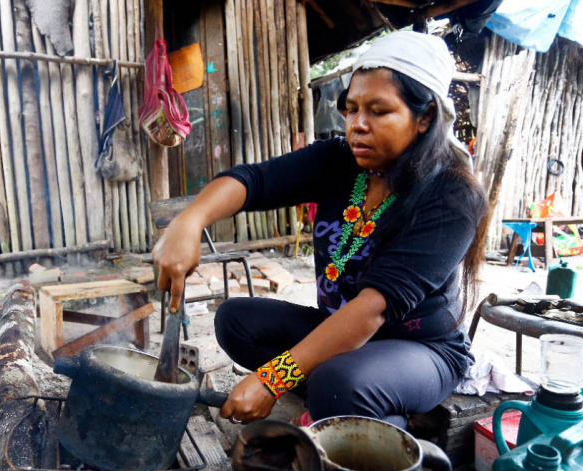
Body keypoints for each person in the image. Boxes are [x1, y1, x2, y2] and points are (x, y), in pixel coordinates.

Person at [152, 31, 489, 428]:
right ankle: (345, 400)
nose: (357, 125)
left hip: (421, 349)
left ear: (425, 118)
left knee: (337, 382)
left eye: (379, 111)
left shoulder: (451, 194)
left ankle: (361, 410)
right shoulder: (339, 161)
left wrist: (272, 378)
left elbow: (372, 309)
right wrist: (189, 221)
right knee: (235, 320)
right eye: (350, 109)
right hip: (341, 333)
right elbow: (252, 181)